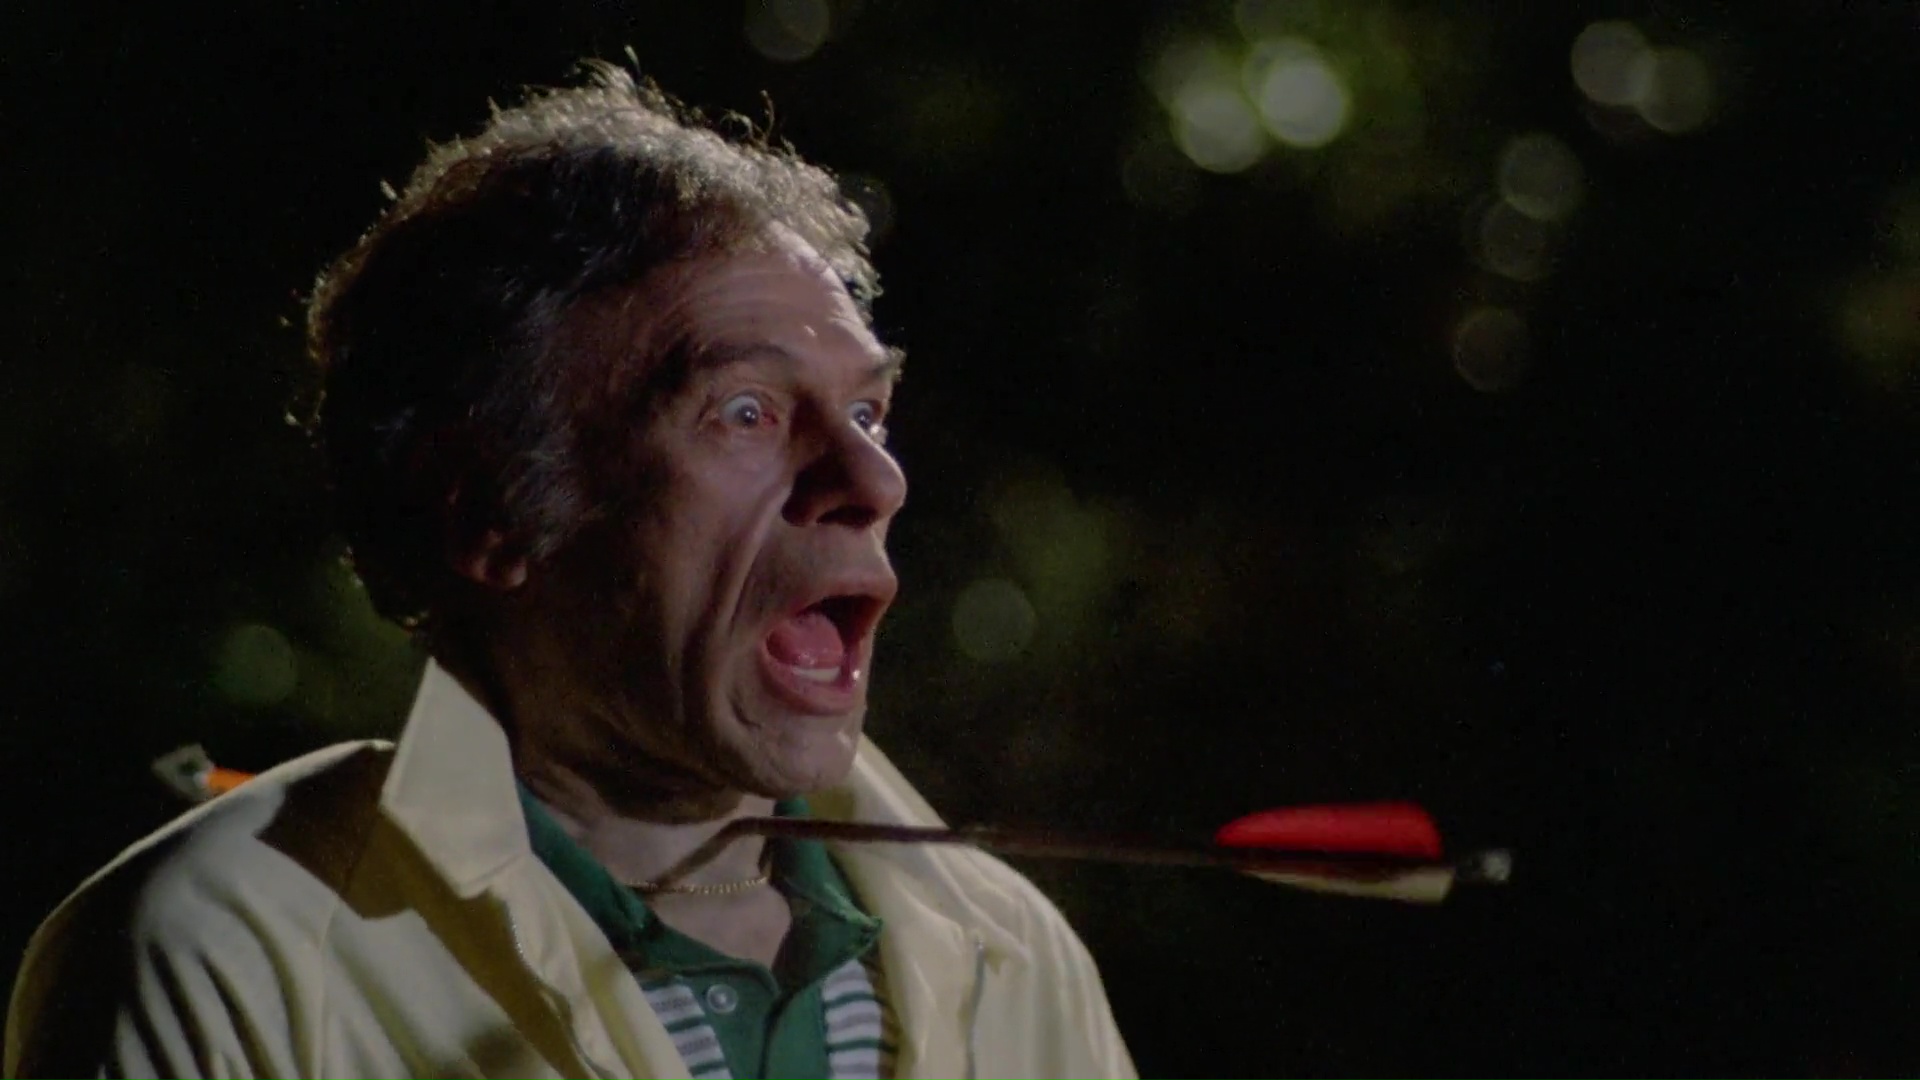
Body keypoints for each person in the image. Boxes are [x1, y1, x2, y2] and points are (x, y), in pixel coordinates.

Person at [4, 64, 1137, 1080]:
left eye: (868, 412)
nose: (872, 478)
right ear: (488, 512)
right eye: (745, 412)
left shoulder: (1010, 958)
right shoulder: (225, 957)